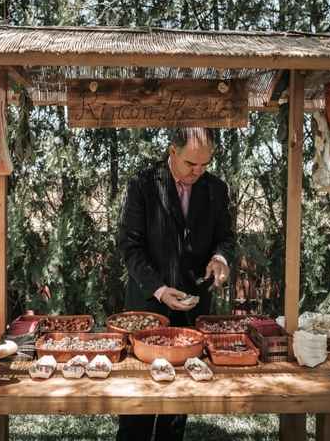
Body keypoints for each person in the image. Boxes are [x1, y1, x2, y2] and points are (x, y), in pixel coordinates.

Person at [116, 127, 235, 441]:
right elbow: (130, 246)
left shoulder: (217, 189)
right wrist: (158, 288)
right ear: (172, 151)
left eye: (204, 165)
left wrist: (221, 258)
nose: (197, 172)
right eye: (190, 164)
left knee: (176, 407)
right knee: (137, 405)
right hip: (147, 305)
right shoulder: (142, 185)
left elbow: (226, 238)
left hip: (191, 310)